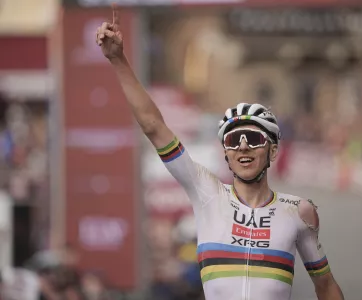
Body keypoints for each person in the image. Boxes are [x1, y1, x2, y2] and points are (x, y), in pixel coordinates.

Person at [95, 5, 344, 300]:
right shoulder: (207, 191)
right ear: (225, 152)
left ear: (273, 150)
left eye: (253, 138)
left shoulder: (299, 211)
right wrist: (118, 59)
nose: (242, 146)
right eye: (233, 140)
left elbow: (325, 285)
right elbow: (152, 125)